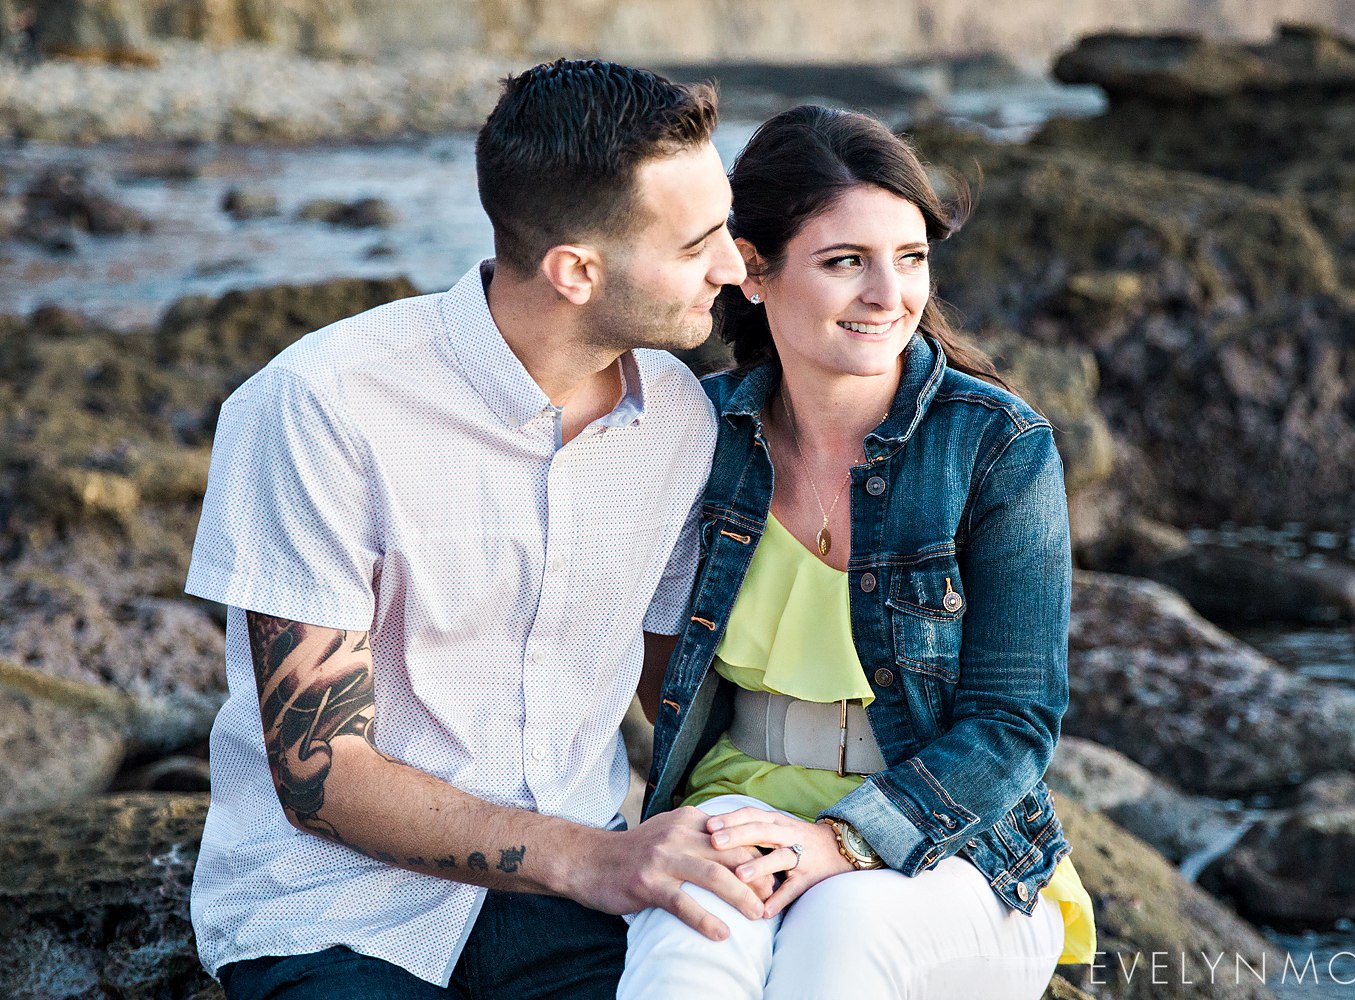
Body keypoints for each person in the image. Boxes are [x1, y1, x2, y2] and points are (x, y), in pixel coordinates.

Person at [185, 59, 769, 1000]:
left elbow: (682, 691)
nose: (734, 267)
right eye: (698, 242)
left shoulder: (677, 418)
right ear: (576, 271)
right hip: (338, 915)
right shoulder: (318, 407)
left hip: (575, 913)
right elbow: (320, 774)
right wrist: (589, 861)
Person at [621, 105, 1097, 999]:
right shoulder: (695, 432)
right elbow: (647, 659)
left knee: (842, 931)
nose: (891, 296)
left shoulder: (996, 449)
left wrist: (842, 841)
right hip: (737, 804)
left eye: (910, 258)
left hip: (955, 841)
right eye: (847, 262)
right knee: (689, 949)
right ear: (753, 273)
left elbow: (1012, 727)